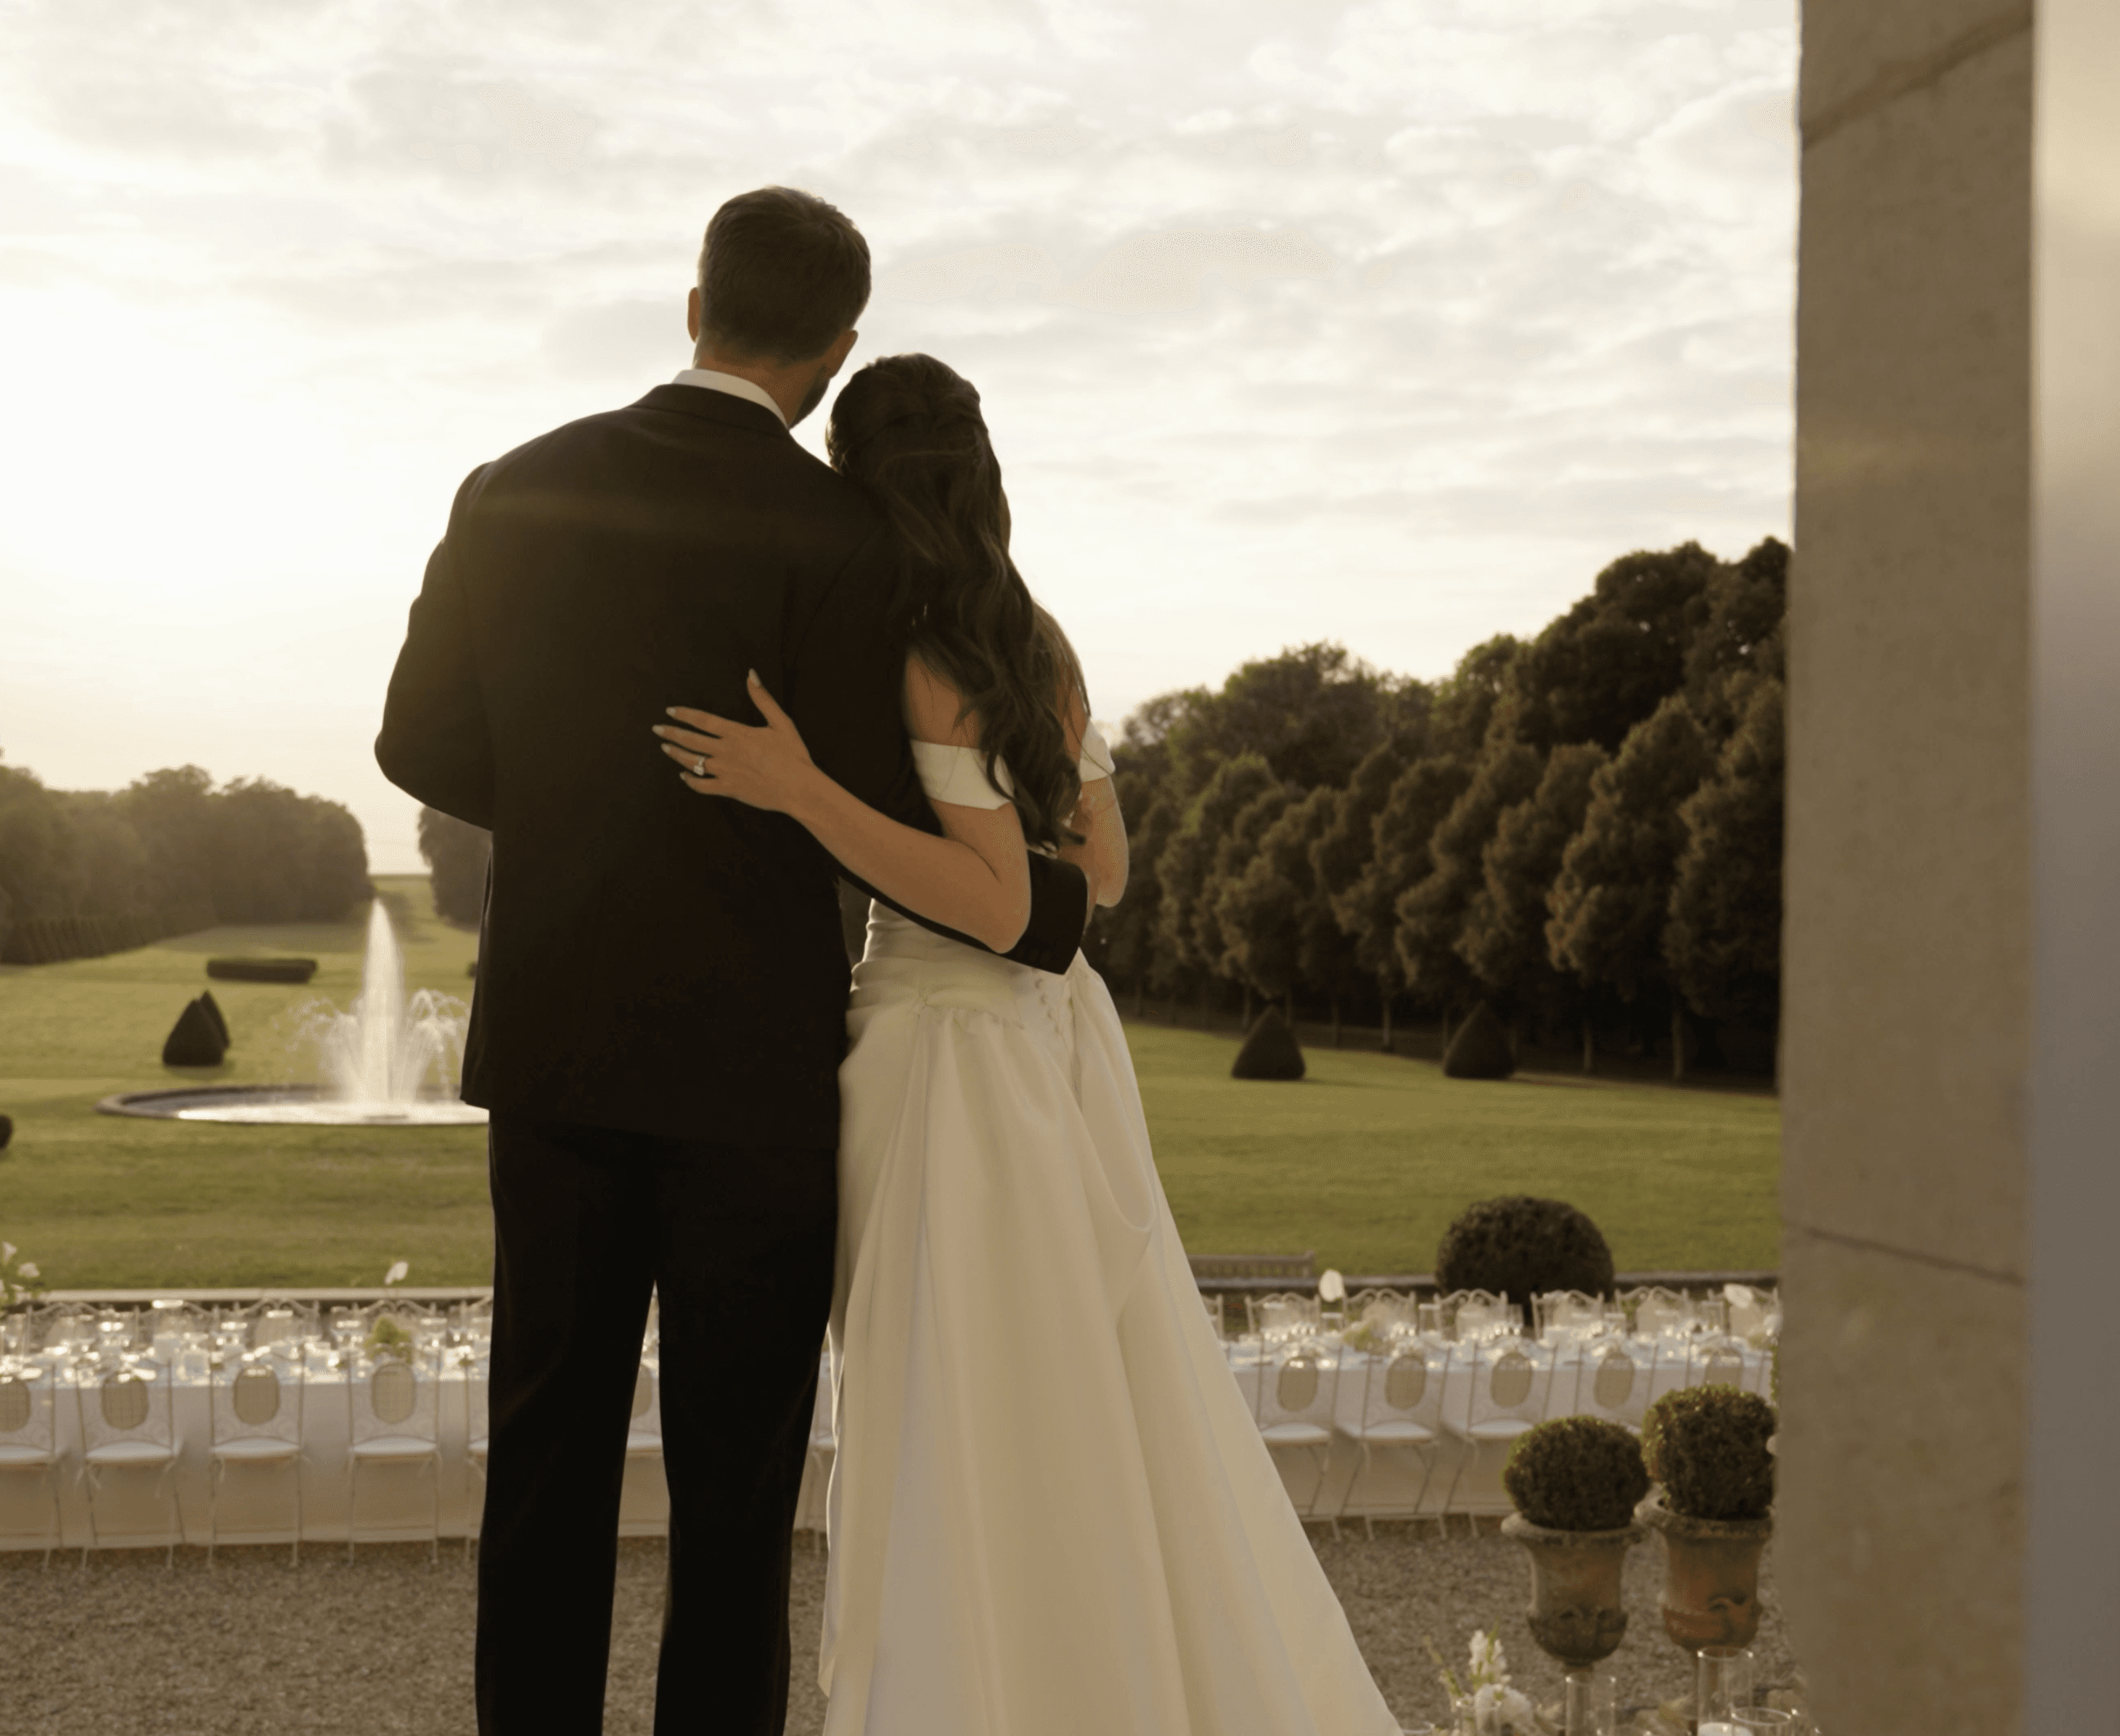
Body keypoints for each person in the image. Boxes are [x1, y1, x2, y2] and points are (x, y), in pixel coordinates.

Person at [375, 188, 1097, 1736]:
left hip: (555, 1046)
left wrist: (583, 809)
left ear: (689, 302)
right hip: (756, 1074)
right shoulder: (851, 538)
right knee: (735, 1486)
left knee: (546, 1450)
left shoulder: (510, 486)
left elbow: (414, 738)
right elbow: (882, 799)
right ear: (834, 353)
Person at [654, 351, 1405, 1734]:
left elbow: (1000, 903)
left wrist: (799, 789)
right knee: (1066, 1392)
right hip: (1054, 1051)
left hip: (950, 1061)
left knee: (959, 1407)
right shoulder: (1034, 641)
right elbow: (1100, 875)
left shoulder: (926, 653)